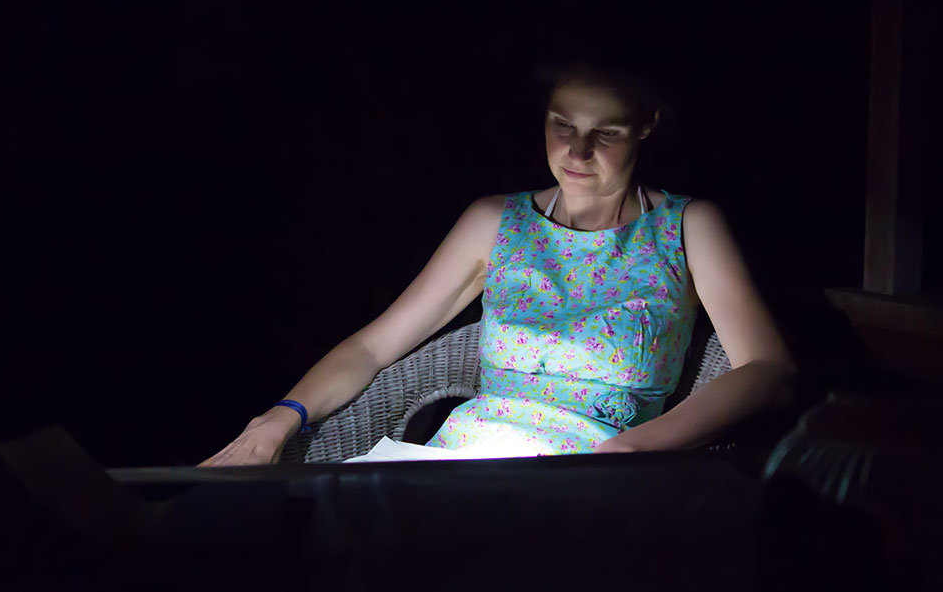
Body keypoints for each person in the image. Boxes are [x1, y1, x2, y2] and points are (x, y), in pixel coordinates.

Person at [200, 60, 797, 466]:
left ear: (647, 126)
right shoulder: (496, 221)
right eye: (563, 125)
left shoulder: (686, 226)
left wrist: (633, 450)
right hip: (468, 459)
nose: (578, 150)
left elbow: (768, 368)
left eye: (606, 132)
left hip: (595, 476)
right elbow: (373, 347)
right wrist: (280, 417)